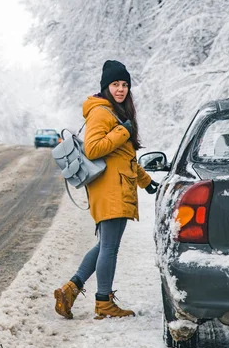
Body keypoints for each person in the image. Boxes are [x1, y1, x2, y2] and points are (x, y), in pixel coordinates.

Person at [54, 60, 159, 320]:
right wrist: (123, 132)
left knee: (105, 245)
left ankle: (71, 289)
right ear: (106, 86)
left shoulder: (116, 112)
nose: (121, 89)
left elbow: (124, 158)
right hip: (110, 188)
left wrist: (145, 182)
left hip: (116, 185)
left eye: (124, 84)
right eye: (115, 84)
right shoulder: (102, 113)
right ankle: (103, 302)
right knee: (110, 247)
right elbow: (93, 149)